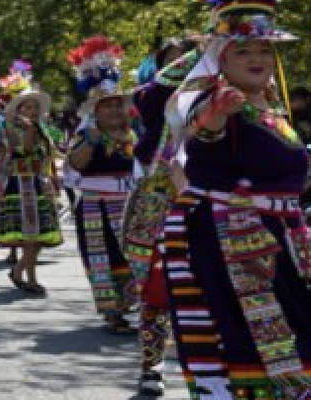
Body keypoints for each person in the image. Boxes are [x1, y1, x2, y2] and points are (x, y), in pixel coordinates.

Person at [165, 0, 311, 399]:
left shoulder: (274, 110)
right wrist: (215, 115)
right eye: (242, 48)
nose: (257, 56)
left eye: (264, 47)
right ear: (219, 57)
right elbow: (200, 129)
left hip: (291, 242)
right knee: (262, 348)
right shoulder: (219, 102)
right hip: (234, 243)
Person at [125, 37, 197, 396]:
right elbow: (159, 88)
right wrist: (205, 50)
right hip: (159, 203)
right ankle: (151, 365)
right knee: (155, 293)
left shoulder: (229, 100)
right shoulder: (153, 101)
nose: (184, 65)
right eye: (175, 61)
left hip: (211, 204)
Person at [63, 37, 137, 333]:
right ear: (95, 112)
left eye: (118, 106)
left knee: (132, 255)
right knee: (102, 257)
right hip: (96, 205)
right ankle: (112, 313)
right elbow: (77, 164)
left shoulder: (134, 137)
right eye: (108, 107)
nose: (115, 112)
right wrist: (92, 140)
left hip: (128, 203)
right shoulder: (86, 137)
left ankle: (130, 305)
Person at [0, 73, 62, 295]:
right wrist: (31, 128)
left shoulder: (41, 130)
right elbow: (27, 150)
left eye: (35, 108)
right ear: (19, 110)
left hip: (39, 183)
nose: (32, 111)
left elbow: (48, 155)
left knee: (40, 238)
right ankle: (31, 279)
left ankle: (18, 270)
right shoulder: (12, 130)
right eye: (27, 107)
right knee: (31, 237)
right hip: (22, 186)